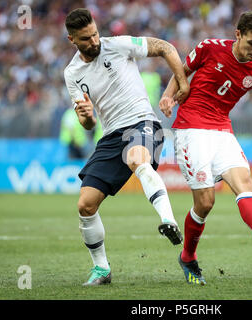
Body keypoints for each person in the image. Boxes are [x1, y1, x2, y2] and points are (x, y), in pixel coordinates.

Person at [159, 11, 252, 285]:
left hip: (222, 129)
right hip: (190, 126)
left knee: (244, 182)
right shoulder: (209, 48)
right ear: (238, 34)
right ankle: (188, 256)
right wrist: (168, 97)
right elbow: (182, 72)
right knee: (206, 202)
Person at [63, 8, 190, 286]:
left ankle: (169, 220)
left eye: (95, 33)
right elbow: (86, 123)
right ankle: (101, 270)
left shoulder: (118, 45)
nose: (95, 41)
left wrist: (182, 83)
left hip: (143, 122)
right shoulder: (72, 73)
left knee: (136, 157)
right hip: (110, 136)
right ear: (72, 40)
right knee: (85, 205)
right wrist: (85, 117)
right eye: (86, 39)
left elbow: (165, 47)